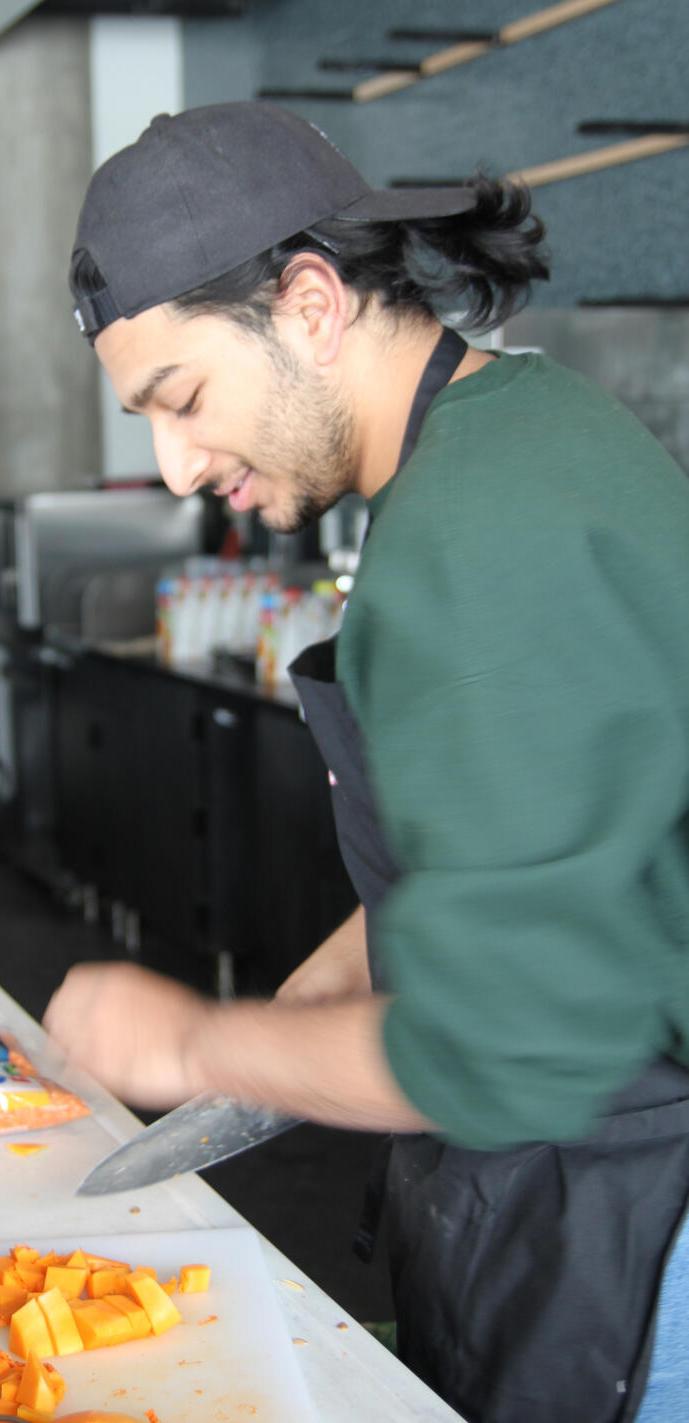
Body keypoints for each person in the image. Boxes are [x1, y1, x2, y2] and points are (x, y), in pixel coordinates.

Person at [42, 102, 689, 1423]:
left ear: (315, 303)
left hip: (637, 1223)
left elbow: (511, 1042)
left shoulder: (477, 537)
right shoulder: (512, 429)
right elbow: (523, 829)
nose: (173, 467)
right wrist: (313, 993)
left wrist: (193, 1035)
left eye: (185, 398)